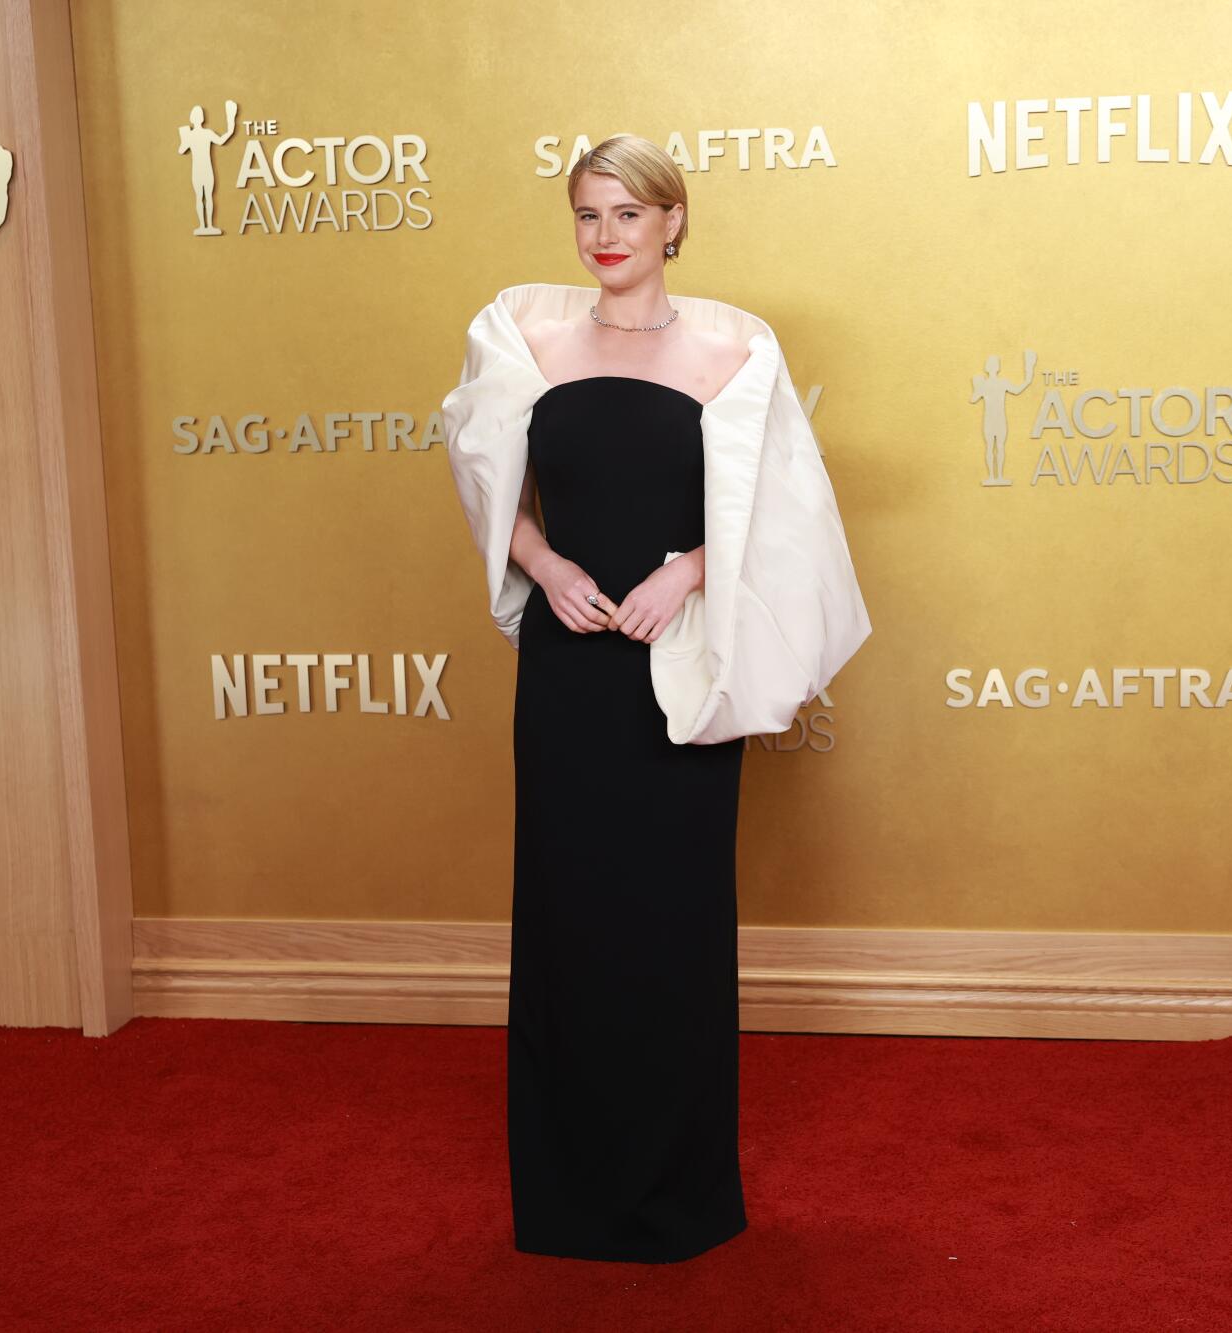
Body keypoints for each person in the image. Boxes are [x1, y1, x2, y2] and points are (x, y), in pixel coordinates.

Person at [441, 133, 871, 1263]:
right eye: (586, 216)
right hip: (570, 664)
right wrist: (546, 568)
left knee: (673, 923)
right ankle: (567, 1194)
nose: (604, 238)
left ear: (672, 222)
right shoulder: (523, 338)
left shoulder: (734, 349)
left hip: (680, 664)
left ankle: (678, 1192)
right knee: (569, 915)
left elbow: (782, 512)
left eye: (627, 215)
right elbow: (492, 494)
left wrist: (687, 566)